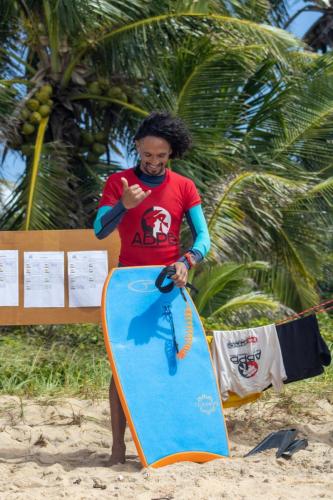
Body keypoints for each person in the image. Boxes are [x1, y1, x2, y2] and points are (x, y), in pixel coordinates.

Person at [94, 111, 210, 465]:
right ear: (137, 148)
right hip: (128, 282)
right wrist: (123, 206)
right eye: (147, 155)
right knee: (122, 366)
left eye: (161, 156)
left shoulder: (184, 186)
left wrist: (186, 262)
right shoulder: (119, 182)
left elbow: (203, 237)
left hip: (168, 284)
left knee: (172, 361)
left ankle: (168, 440)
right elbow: (100, 230)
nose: (154, 162)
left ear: (171, 153)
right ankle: (117, 447)